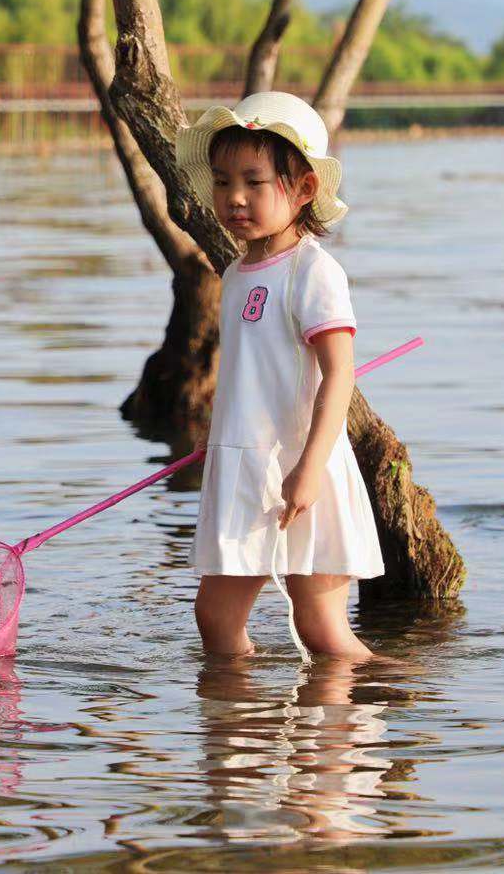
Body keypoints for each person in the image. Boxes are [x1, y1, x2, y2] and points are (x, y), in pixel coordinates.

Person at [174, 91, 384, 660]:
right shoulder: (239, 271)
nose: (233, 197)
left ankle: (379, 712)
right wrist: (216, 435)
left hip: (300, 467)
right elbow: (251, 373)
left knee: (322, 629)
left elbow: (339, 375)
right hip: (245, 466)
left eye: (254, 181)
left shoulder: (313, 271)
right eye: (221, 181)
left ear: (304, 188)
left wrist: (309, 470)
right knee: (216, 619)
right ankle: (244, 737)